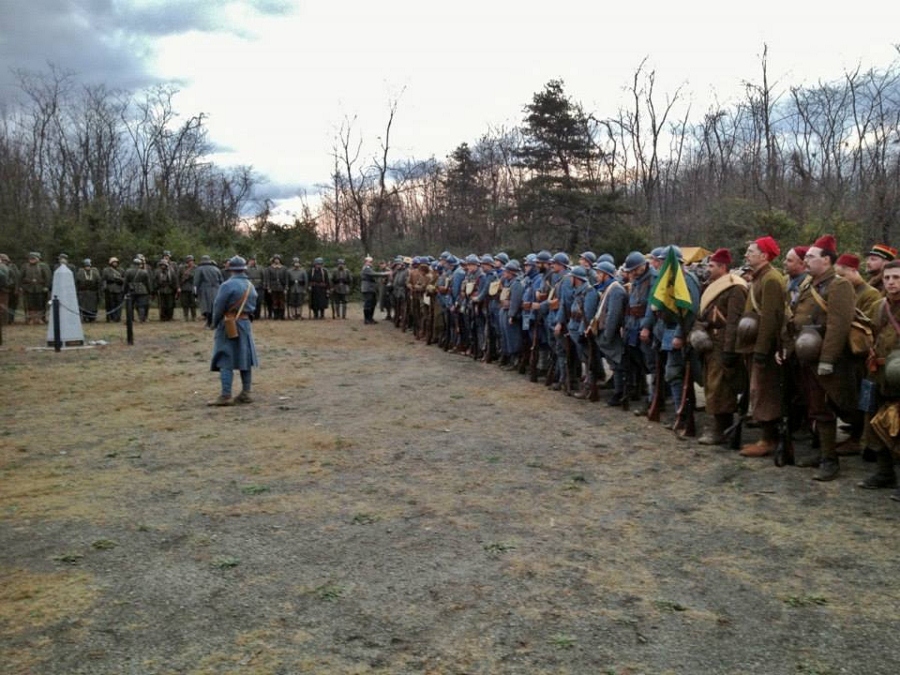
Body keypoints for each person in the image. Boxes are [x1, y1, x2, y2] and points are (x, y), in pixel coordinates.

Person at [784, 234, 856, 480]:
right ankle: (823, 452)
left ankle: (830, 460)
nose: (806, 260)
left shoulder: (839, 285)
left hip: (824, 359)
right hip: (804, 355)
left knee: (825, 408)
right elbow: (794, 317)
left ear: (826, 260)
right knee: (814, 406)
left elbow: (838, 326)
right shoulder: (809, 284)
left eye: (811, 257)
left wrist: (827, 360)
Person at [737, 236, 786, 458]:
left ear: (764, 256)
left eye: (751, 251)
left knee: (764, 392)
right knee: (758, 390)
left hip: (764, 347)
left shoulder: (771, 280)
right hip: (754, 344)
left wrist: (761, 350)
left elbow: (770, 319)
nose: (747, 255)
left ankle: (769, 439)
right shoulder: (761, 278)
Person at [694, 248, 749, 445]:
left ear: (723, 267)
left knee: (720, 388)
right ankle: (720, 426)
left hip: (722, 342)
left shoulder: (735, 288)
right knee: (712, 385)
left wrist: (729, 349)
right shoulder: (711, 286)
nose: (708, 269)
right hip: (710, 342)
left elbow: (734, 321)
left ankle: (719, 429)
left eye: (712, 266)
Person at [858, 259, 900, 499]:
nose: (891, 282)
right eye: (887, 278)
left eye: (896, 277)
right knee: (874, 421)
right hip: (876, 372)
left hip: (898, 373)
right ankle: (884, 473)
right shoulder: (878, 306)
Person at [208, 256, 258, 407]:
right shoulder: (250, 285)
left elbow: (218, 306)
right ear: (244, 269)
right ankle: (246, 393)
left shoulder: (227, 285)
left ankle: (226, 395)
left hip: (229, 324)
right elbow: (254, 304)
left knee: (225, 358)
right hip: (245, 323)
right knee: (245, 359)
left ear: (230, 269)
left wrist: (214, 323)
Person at [20, 252, 52, 324]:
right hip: (28, 288)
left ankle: (40, 318)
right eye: (31, 258)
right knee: (30, 304)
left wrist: (46, 286)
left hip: (40, 288)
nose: (32, 259)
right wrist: (20, 287)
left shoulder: (44, 266)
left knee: (41, 304)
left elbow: (48, 277)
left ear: (38, 258)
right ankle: (31, 318)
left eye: (34, 258)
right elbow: (20, 277)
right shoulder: (25, 266)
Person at [194, 255, 223, 327]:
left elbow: (196, 282)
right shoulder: (216, 269)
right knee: (214, 306)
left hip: (204, 290)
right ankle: (214, 322)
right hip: (217, 289)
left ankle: (209, 323)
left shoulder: (199, 269)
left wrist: (195, 293)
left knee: (207, 308)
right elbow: (221, 281)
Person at [360, 256, 388, 324]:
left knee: (373, 303)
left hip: (371, 288)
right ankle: (367, 319)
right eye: (369, 262)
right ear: (366, 262)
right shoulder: (366, 268)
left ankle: (370, 318)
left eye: (371, 262)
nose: (371, 263)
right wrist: (385, 274)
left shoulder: (369, 268)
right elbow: (374, 274)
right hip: (368, 288)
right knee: (368, 303)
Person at [125, 257, 153, 322]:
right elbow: (147, 283)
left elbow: (126, 283)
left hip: (131, 290)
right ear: (139, 264)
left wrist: (125, 291)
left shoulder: (128, 271)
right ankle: (142, 318)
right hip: (142, 290)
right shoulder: (144, 272)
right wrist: (149, 291)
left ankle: (130, 319)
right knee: (141, 305)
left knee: (130, 305)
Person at [101, 257, 125, 322]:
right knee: (110, 305)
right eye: (114, 262)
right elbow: (103, 280)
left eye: (116, 262)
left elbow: (124, 279)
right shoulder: (106, 270)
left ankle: (117, 318)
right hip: (110, 289)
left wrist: (120, 280)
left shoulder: (121, 270)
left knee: (118, 305)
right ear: (110, 263)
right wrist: (104, 288)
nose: (115, 263)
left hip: (119, 289)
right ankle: (110, 318)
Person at [177, 255, 198, 321]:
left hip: (193, 287)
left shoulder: (196, 268)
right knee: (184, 303)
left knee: (193, 303)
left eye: (192, 261)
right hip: (184, 287)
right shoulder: (181, 268)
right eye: (189, 261)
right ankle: (185, 316)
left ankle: (194, 316)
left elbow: (197, 278)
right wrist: (178, 287)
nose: (191, 262)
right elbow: (178, 278)